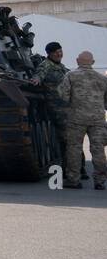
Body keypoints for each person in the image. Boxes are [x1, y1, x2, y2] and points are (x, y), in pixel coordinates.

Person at [64, 51, 107, 190]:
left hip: (76, 118)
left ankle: (73, 180)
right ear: (93, 62)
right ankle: (100, 181)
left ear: (77, 61)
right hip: (98, 119)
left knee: (74, 149)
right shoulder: (102, 79)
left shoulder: (70, 76)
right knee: (98, 149)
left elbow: (63, 95)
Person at [33, 42, 73, 171]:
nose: (59, 54)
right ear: (49, 53)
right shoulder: (46, 65)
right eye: (56, 52)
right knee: (67, 139)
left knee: (71, 138)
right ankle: (71, 169)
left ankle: (77, 168)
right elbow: (39, 74)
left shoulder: (62, 67)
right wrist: (36, 79)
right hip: (57, 108)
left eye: (60, 51)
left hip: (67, 107)